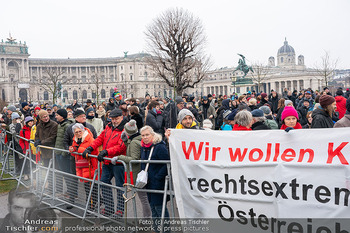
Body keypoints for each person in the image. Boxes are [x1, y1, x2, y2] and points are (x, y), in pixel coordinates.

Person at [82, 109, 127, 217]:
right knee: (104, 183)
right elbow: (101, 138)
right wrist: (90, 147)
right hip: (107, 160)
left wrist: (107, 151)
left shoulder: (125, 129)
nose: (114, 121)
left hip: (118, 162)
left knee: (120, 187)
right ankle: (109, 207)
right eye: (112, 119)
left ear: (121, 117)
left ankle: (120, 210)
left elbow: (121, 146)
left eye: (116, 119)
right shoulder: (109, 126)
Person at [111, 120, 152, 219]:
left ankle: (146, 218)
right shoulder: (136, 139)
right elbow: (132, 151)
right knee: (145, 197)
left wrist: (119, 157)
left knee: (143, 198)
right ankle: (147, 217)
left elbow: (134, 158)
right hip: (139, 172)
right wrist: (126, 141)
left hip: (137, 174)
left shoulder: (134, 142)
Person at [140, 126, 170, 232]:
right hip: (148, 182)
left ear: (152, 134)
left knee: (160, 208)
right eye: (143, 135)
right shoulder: (143, 147)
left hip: (158, 182)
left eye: (147, 135)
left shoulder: (159, 147)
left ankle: (166, 230)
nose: (145, 137)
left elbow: (167, 164)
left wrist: (158, 177)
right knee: (153, 208)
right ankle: (157, 230)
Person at [69, 123, 99, 211]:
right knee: (88, 187)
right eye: (76, 132)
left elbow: (94, 151)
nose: (78, 133)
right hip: (82, 166)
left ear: (83, 130)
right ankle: (93, 204)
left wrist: (78, 150)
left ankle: (91, 206)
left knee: (91, 187)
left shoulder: (89, 138)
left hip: (90, 166)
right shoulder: (75, 139)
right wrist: (72, 150)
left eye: (80, 131)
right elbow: (75, 152)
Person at [54, 109, 74, 195]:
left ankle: (72, 192)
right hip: (58, 152)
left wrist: (64, 152)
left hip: (64, 154)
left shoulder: (67, 126)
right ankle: (69, 190)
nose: (56, 116)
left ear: (62, 116)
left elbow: (69, 141)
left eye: (57, 115)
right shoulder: (59, 125)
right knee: (63, 173)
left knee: (68, 173)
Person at [19, 116, 34, 180]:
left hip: (33, 149)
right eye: (30, 121)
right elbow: (21, 141)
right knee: (26, 162)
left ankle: (31, 173)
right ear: (27, 122)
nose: (31, 123)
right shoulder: (23, 131)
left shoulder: (34, 129)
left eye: (32, 121)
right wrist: (23, 148)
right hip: (26, 149)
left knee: (32, 162)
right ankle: (26, 174)